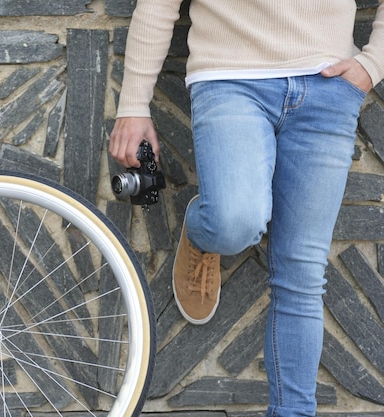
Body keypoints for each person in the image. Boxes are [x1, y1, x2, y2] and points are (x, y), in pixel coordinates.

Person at [109, 1, 384, 416]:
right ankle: (205, 231)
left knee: (303, 274)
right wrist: (133, 104)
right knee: (232, 222)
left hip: (329, 90)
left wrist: (372, 64)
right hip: (230, 80)